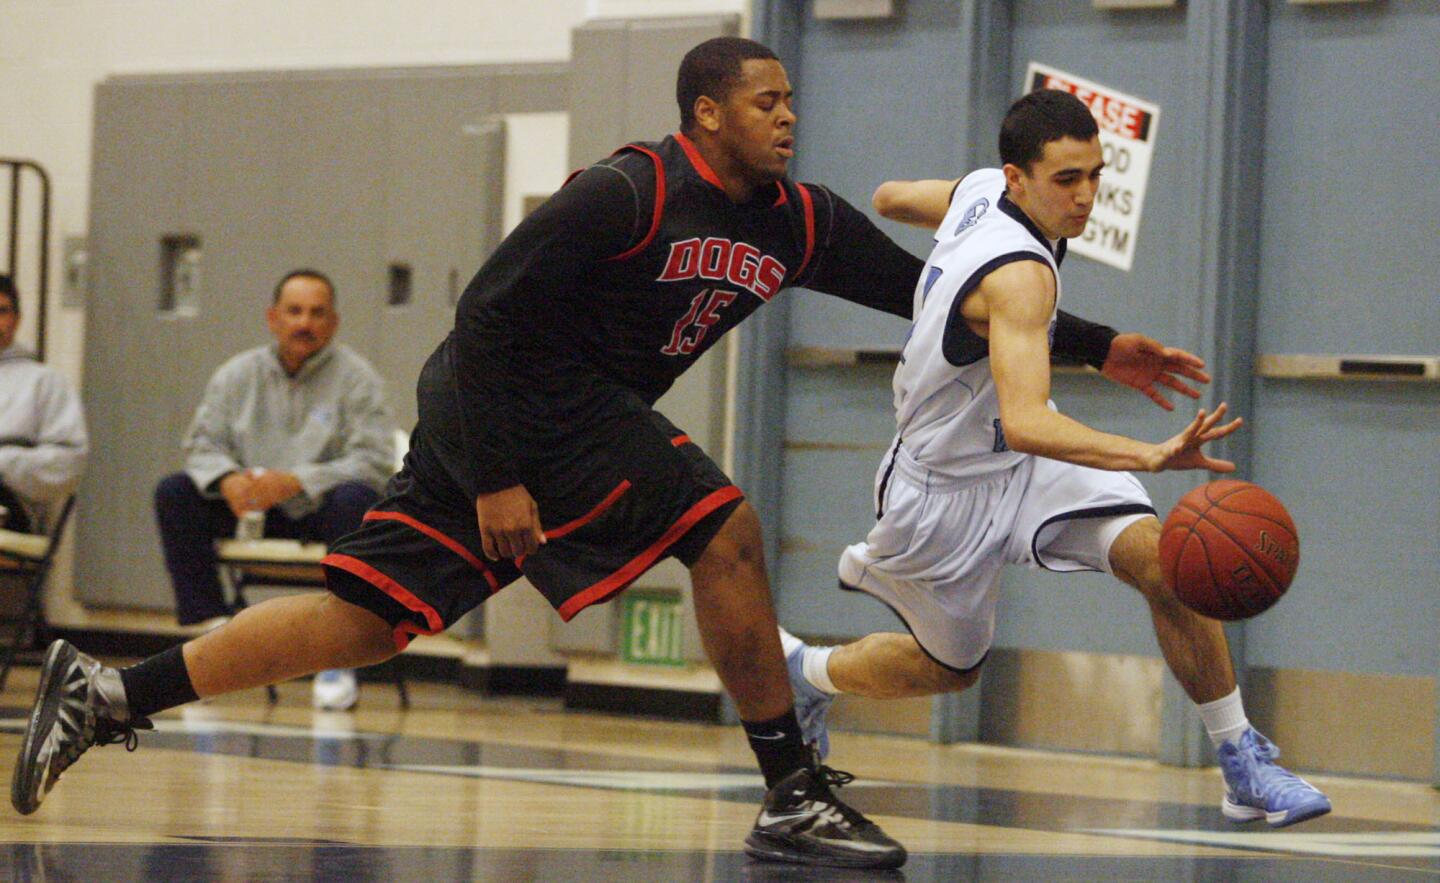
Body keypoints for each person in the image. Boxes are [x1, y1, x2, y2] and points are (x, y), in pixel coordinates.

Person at [777, 88, 1332, 829]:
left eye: (1096, 175)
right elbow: (1030, 418)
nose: (1086, 196)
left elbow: (888, 196)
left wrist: (1094, 342)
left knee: (1168, 562)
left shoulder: (982, 191)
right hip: (942, 490)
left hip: (1023, 467)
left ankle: (1243, 762)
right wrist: (1152, 452)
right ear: (1018, 178)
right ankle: (807, 675)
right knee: (949, 670)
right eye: (1066, 179)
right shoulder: (1020, 276)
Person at [152, 269, 393, 711]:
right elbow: (201, 444)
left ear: (334, 322)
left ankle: (337, 653)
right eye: (294, 311)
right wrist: (226, 478)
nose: (305, 323)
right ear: (272, 318)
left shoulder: (359, 379)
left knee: (357, 500)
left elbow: (376, 462)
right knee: (175, 493)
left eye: (317, 313)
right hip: (250, 509)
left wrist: (299, 479)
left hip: (321, 510)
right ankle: (207, 634)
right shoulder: (235, 375)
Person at [0, 274, 87, 535]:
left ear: (17, 319)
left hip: (11, 506)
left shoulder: (44, 383)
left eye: (2, 311)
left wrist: (4, 463)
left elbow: (69, 463)